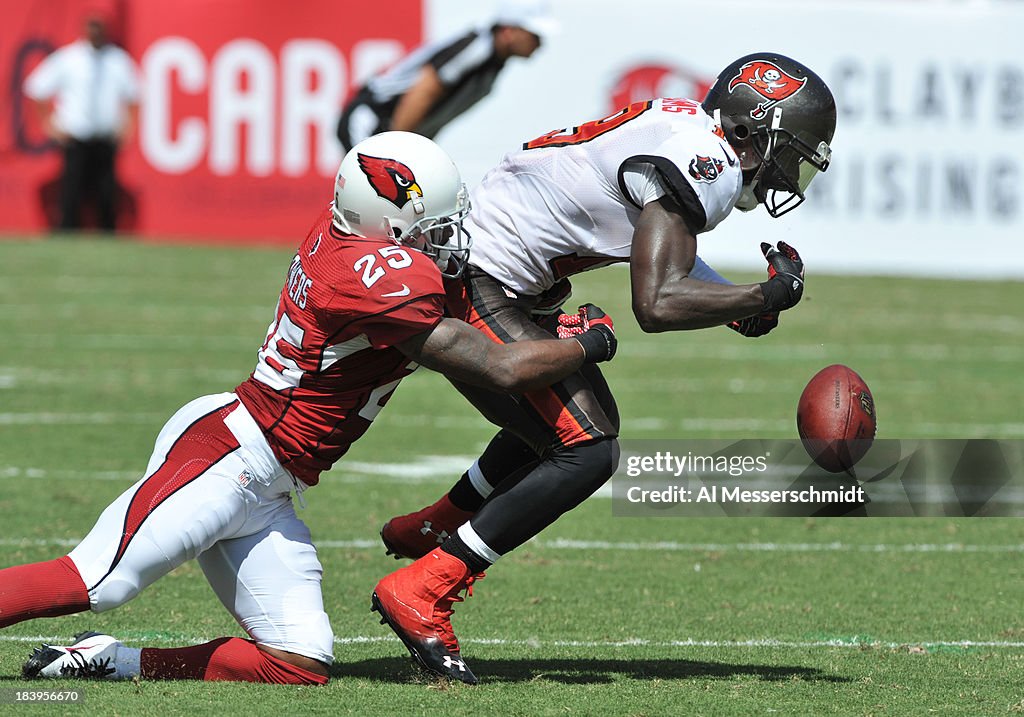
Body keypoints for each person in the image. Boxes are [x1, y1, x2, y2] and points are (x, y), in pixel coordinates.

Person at [3, 131, 617, 685]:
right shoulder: (376, 274)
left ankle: (113, 659)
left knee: (300, 662)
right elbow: (500, 368)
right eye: (432, 224)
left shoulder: (356, 241)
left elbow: (466, 321)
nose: (445, 237)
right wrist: (588, 342)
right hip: (229, 456)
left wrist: (540, 322)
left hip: (273, 481)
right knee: (97, 581)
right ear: (390, 222)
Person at [370, 52, 837, 684]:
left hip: (495, 268)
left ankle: (433, 525)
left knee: (560, 428)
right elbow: (658, 302)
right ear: (755, 130)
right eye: (791, 149)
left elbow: (658, 241)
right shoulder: (709, 164)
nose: (791, 169)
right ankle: (428, 584)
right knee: (587, 448)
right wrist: (764, 295)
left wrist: (731, 300)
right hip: (482, 278)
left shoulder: (695, 136)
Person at [336, 0, 558, 153]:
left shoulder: (493, 61)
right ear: (508, 32)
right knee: (368, 202)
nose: (540, 43)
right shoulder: (478, 49)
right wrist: (397, 150)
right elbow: (425, 89)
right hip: (372, 119)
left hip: (390, 132)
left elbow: (439, 113)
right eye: (534, 34)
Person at [23, 10, 140, 232]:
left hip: (105, 136)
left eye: (99, 27)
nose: (96, 32)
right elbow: (36, 88)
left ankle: (108, 232)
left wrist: (129, 127)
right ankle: (67, 231)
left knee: (107, 191)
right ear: (84, 29)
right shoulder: (69, 58)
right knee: (71, 188)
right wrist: (50, 124)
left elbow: (135, 95)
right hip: (75, 136)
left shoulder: (118, 60)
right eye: (92, 27)